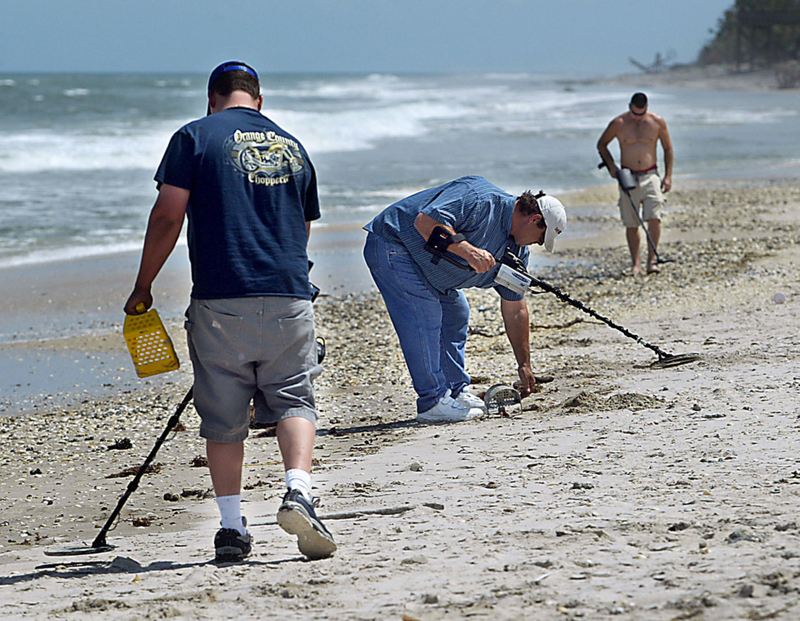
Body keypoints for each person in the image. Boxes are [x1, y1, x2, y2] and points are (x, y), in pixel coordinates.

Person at [124, 61, 335, 562]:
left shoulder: (194, 137)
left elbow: (168, 214)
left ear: (211, 98)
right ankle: (299, 491)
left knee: (223, 419)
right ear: (259, 101)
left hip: (221, 298)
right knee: (293, 402)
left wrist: (143, 285)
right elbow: (302, 228)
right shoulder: (294, 147)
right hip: (289, 295)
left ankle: (231, 526)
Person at [363, 175, 567, 423]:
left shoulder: (517, 252)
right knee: (425, 314)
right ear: (534, 220)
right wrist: (467, 250)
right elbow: (425, 221)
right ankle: (432, 402)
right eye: (540, 238)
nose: (536, 244)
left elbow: (515, 307)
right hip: (393, 244)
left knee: (457, 314)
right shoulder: (477, 196)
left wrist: (524, 364)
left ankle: (456, 393)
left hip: (432, 270)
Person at [597, 92, 674, 275]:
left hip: (651, 175)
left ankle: (652, 261)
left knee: (654, 218)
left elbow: (668, 148)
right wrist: (611, 166)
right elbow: (602, 144)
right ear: (629, 106)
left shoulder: (657, 122)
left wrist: (668, 176)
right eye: (634, 113)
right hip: (628, 176)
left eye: (641, 113)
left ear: (647, 108)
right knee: (632, 223)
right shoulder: (619, 123)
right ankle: (636, 264)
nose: (638, 117)